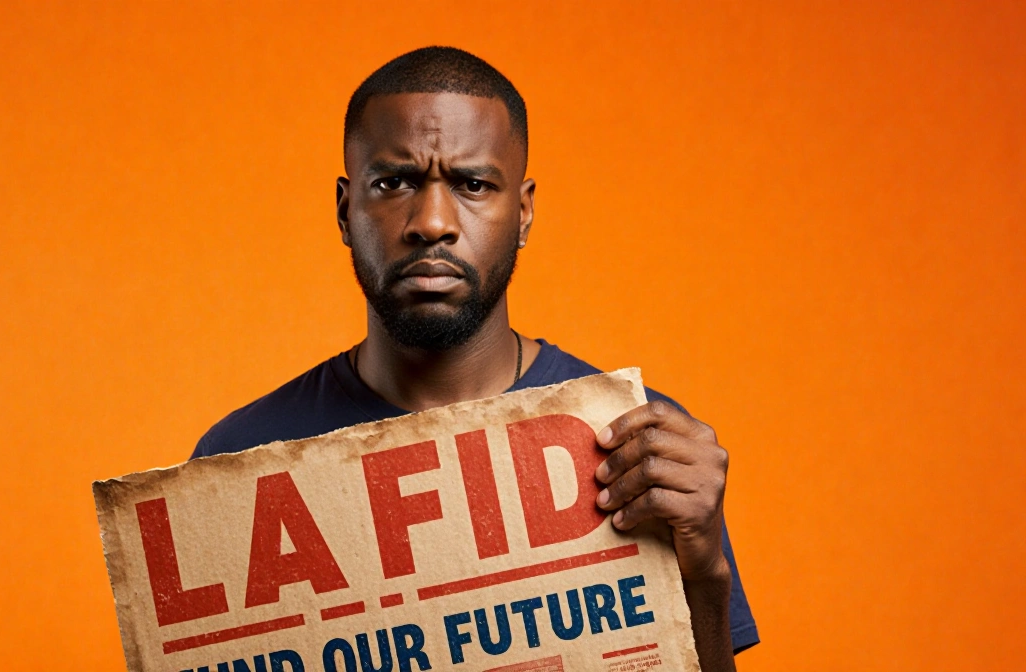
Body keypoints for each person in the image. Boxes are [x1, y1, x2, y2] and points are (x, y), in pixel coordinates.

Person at [192, 46, 758, 667]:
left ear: (523, 212)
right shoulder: (237, 463)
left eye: (472, 185)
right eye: (394, 182)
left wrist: (705, 574)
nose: (432, 221)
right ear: (345, 210)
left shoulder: (635, 446)